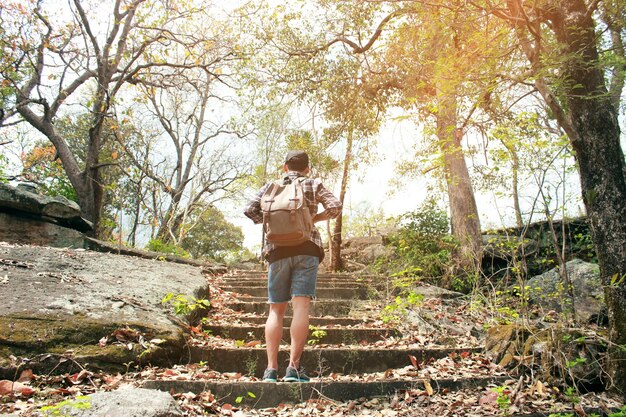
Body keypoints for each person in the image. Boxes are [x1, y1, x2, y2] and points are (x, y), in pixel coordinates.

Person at [243, 150, 342, 382]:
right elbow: (335, 207)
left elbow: (249, 209)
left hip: (277, 250)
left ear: (285, 167)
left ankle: (270, 370)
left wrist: (269, 222)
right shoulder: (313, 183)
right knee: (300, 308)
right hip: (306, 248)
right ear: (307, 168)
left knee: (275, 311)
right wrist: (313, 219)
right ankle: (293, 369)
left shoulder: (271, 187)